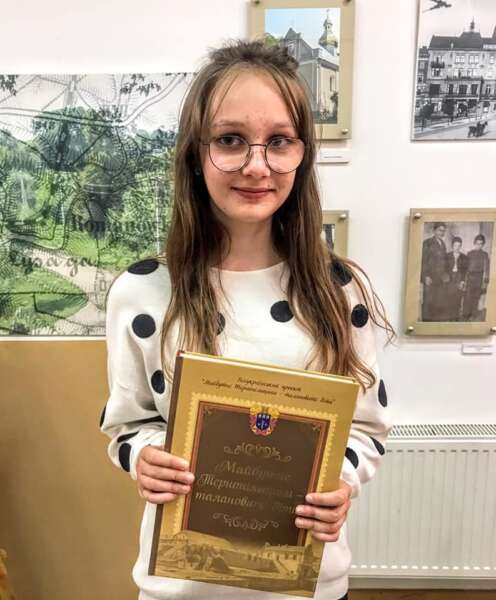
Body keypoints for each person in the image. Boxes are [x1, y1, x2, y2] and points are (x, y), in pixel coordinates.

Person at [101, 40, 394, 600]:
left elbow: (367, 427)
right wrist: (145, 459)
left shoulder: (339, 291)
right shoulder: (142, 293)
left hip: (307, 581)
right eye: (230, 139)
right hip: (181, 585)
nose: (257, 166)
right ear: (195, 152)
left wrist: (340, 479)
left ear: (302, 154)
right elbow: (126, 424)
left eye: (279, 141)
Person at [420, 222, 449, 321]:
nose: (442, 233)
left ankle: (434, 324)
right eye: (440, 230)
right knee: (428, 302)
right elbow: (423, 261)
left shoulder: (443, 244)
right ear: (434, 230)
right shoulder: (427, 243)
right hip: (430, 278)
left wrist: (445, 274)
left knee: (438, 301)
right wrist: (425, 276)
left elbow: (444, 261)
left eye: (444, 231)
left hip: (440, 279)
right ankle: (425, 324)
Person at [462, 233, 491, 321]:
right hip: (470, 277)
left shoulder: (485, 254)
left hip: (479, 278)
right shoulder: (469, 253)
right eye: (477, 243)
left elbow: (487, 268)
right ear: (474, 243)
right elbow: (465, 268)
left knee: (476, 297)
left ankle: (473, 314)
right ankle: (465, 314)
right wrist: (464, 280)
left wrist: (485, 282)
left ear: (483, 244)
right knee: (467, 297)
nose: (479, 245)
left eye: (481, 244)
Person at [445, 236, 468, 321]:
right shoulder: (447, 256)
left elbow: (465, 271)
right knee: (449, 299)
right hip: (449, 279)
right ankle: (448, 318)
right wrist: (446, 279)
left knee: (457, 299)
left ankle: (455, 318)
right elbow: (444, 269)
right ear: (452, 246)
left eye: (459, 245)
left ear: (461, 246)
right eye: (455, 245)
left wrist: (462, 281)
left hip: (459, 278)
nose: (457, 247)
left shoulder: (464, 257)